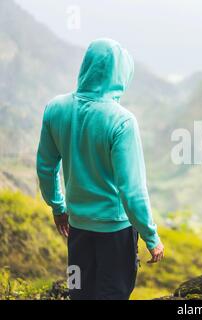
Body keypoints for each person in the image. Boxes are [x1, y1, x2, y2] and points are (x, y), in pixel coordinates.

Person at [36, 38, 164, 300]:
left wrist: (58, 207)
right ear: (120, 75)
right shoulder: (122, 122)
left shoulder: (55, 109)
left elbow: (46, 168)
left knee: (78, 292)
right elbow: (132, 191)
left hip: (77, 230)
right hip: (116, 234)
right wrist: (152, 237)